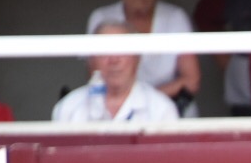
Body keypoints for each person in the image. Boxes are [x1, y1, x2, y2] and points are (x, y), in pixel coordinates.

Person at [86, 0, 200, 116]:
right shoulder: (102, 18)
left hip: (172, 109)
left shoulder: (175, 17)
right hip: (116, 111)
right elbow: (97, 76)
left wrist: (146, 100)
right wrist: (134, 101)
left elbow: (191, 80)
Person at [52, 21, 181, 123]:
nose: (114, 60)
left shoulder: (161, 108)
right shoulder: (68, 107)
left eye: (122, 50)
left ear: (137, 58)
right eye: (105, 51)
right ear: (92, 60)